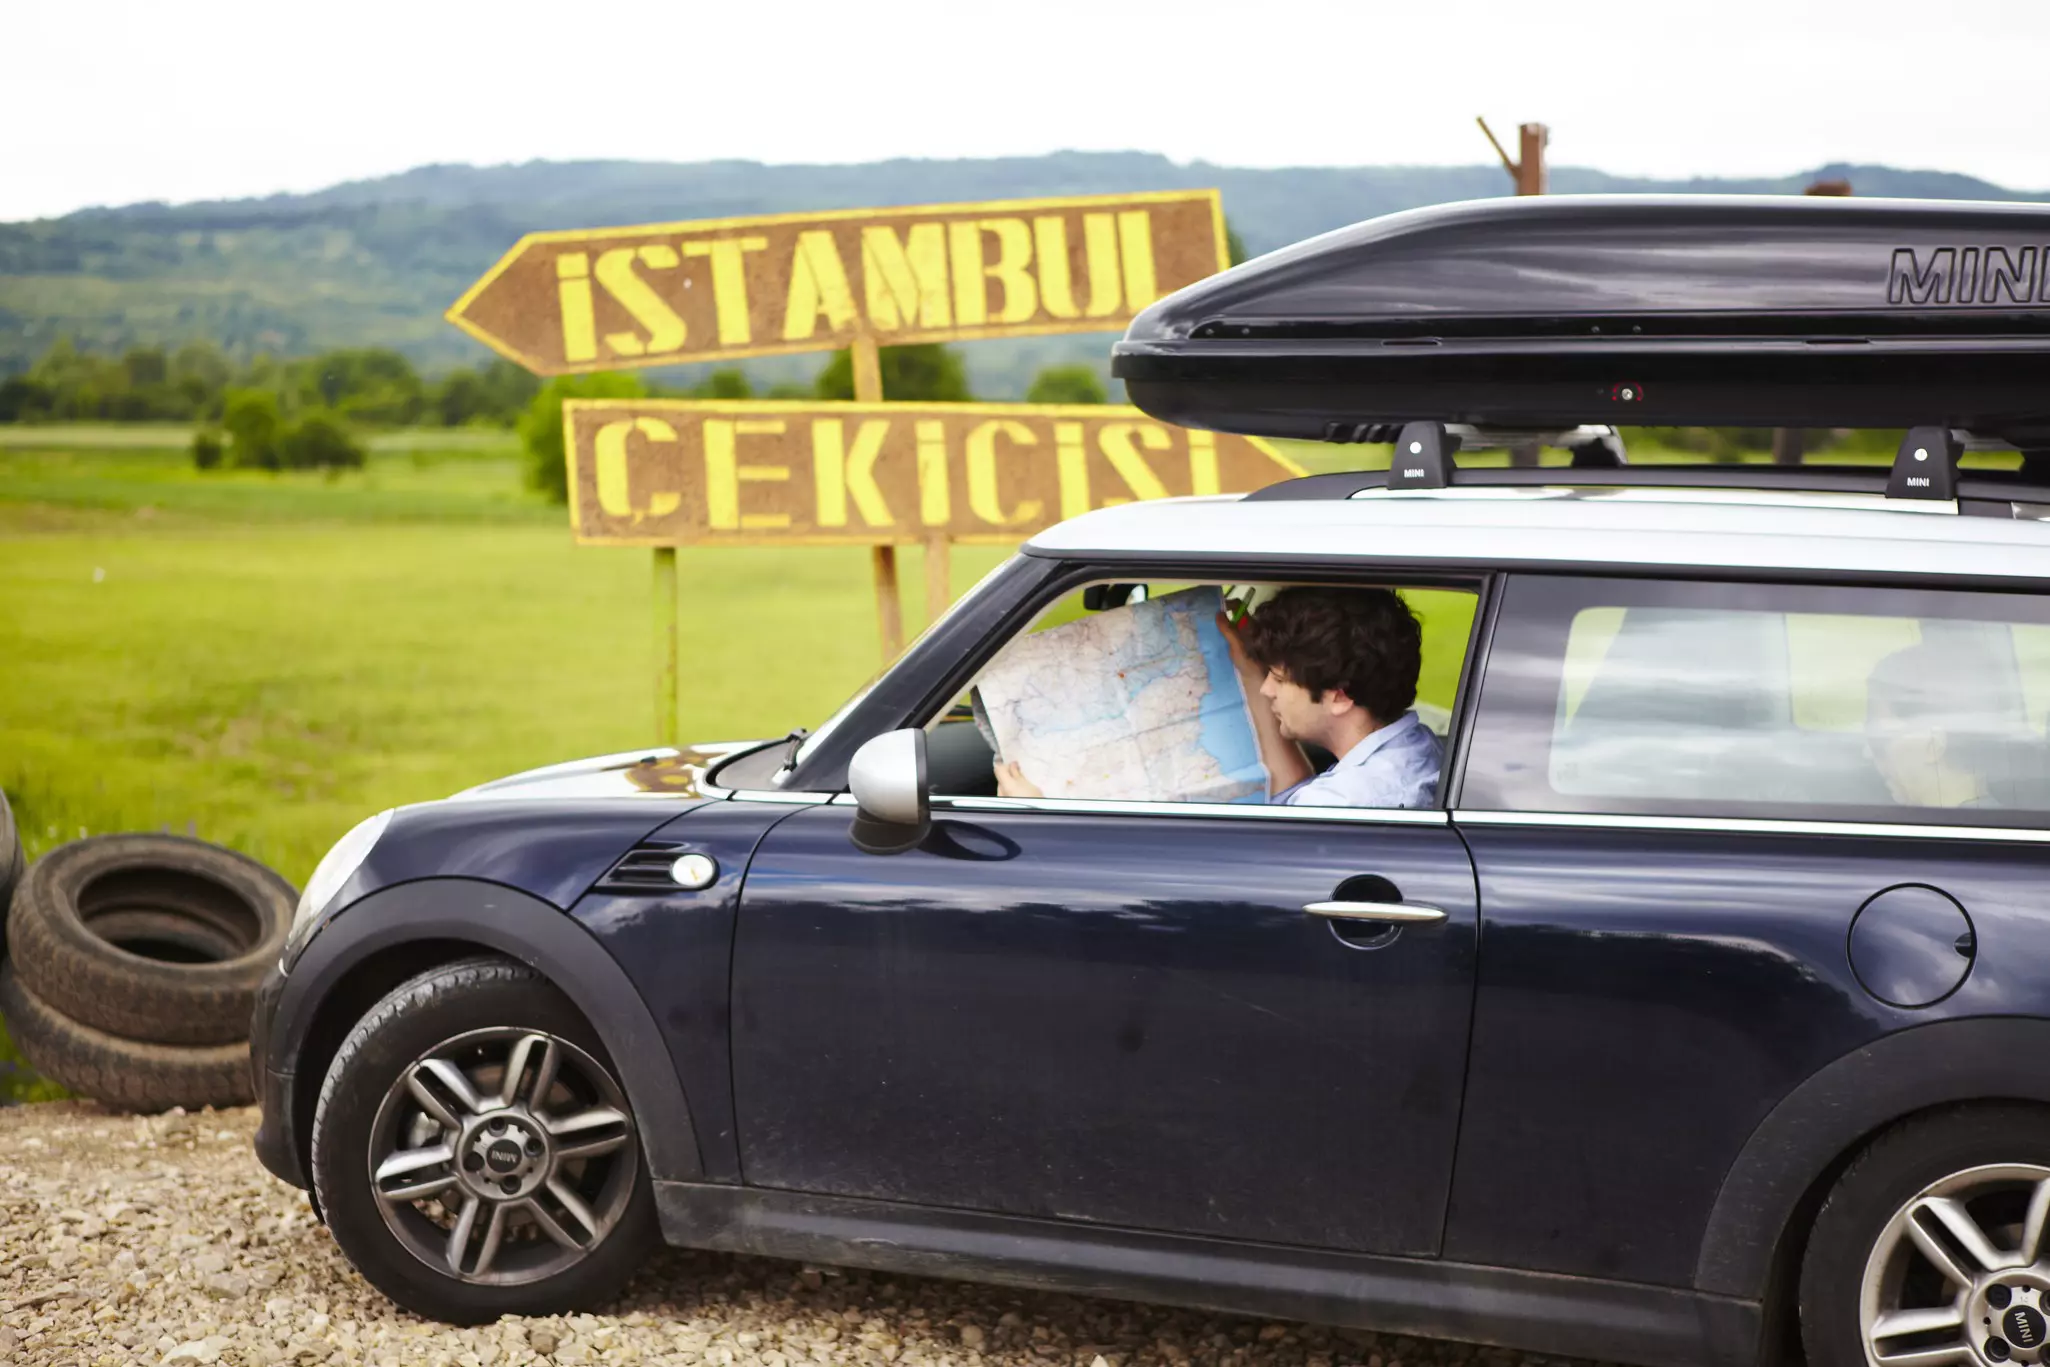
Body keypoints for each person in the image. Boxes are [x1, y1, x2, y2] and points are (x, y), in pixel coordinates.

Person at [995, 586, 1442, 808]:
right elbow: (1293, 797)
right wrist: (1248, 669)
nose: (1267, 690)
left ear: (1339, 697)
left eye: (1279, 679)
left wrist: (1043, 812)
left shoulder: (1346, 803)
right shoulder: (1414, 749)